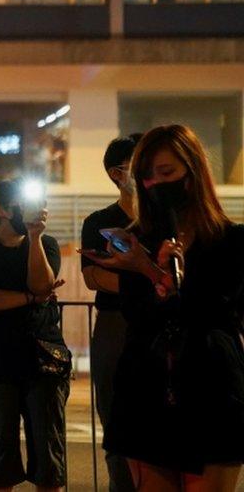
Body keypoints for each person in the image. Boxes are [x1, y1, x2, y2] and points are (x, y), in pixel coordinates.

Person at [85, 124, 244, 491]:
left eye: (167, 172)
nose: (156, 184)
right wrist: (140, 266)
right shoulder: (135, 242)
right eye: (147, 176)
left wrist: (151, 270)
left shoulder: (230, 240)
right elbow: (139, 316)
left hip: (212, 390)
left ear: (194, 171)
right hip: (146, 389)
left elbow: (213, 313)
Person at [0, 178, 69, 492]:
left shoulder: (46, 244)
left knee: (49, 459)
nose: (33, 211)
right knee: (0, 458)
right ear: (1, 209)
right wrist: (28, 299)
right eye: (23, 204)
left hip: (44, 362)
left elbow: (42, 284)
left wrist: (35, 237)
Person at [79, 134, 141, 492]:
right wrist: (154, 280)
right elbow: (93, 277)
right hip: (116, 328)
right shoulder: (99, 220)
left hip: (169, 328)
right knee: (117, 421)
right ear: (117, 173)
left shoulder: (171, 217)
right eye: (140, 162)